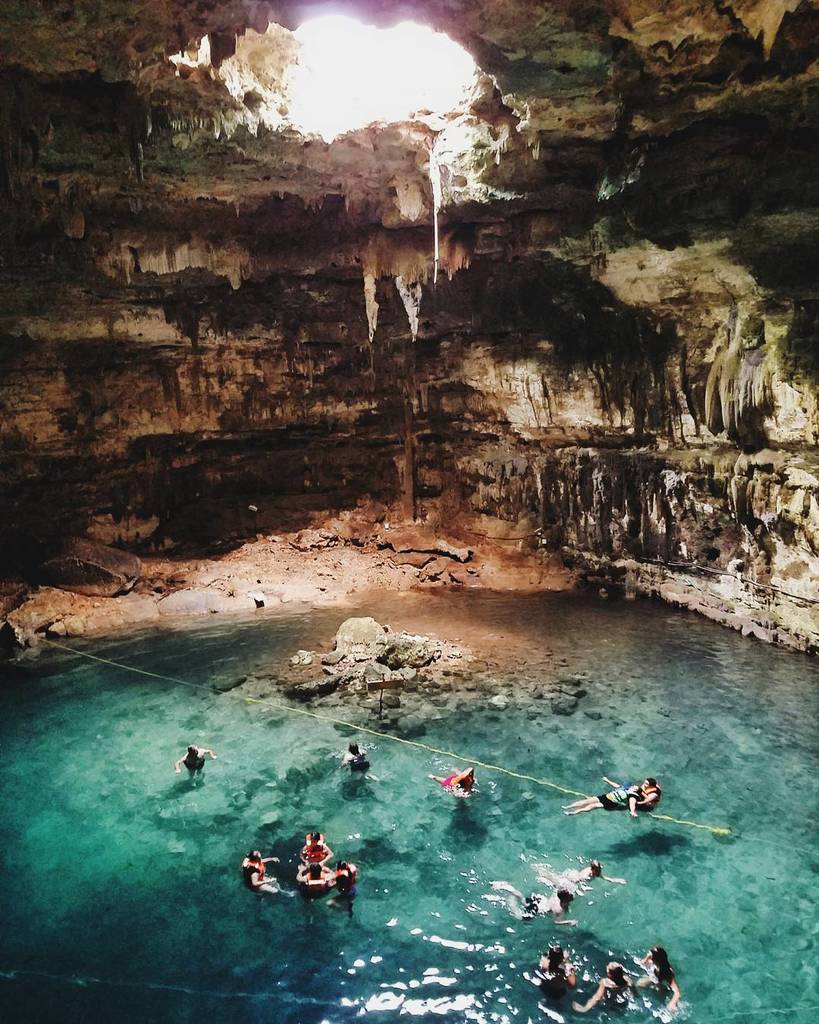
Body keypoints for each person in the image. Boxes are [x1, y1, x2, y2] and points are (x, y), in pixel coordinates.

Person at [563, 777, 661, 817]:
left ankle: (574, 812)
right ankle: (568, 807)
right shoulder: (625, 788)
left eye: (635, 787)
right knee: (587, 801)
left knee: (593, 806)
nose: (635, 786)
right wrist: (607, 780)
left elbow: (632, 803)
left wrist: (633, 811)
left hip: (611, 803)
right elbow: (615, 785)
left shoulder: (633, 795)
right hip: (606, 796)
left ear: (636, 790)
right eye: (633, 785)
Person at [491, 882, 577, 925]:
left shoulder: (557, 894)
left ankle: (510, 890)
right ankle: (511, 901)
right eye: (570, 895)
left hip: (540, 899)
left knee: (524, 901)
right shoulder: (559, 909)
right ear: (565, 899)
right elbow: (556, 922)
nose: (572, 895)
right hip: (538, 908)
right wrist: (569, 922)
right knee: (519, 917)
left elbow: (557, 887)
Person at [636, 946, 682, 1013]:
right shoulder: (653, 963)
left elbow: (677, 992)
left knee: (659, 994)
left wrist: (672, 1002)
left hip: (661, 986)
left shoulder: (667, 972)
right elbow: (642, 963)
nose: (649, 956)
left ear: (655, 960)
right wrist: (647, 958)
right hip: (654, 980)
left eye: (650, 956)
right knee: (639, 984)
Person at [535, 859, 626, 889]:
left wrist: (617, 880)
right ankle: (543, 874)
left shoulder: (596, 871)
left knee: (557, 877)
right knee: (557, 882)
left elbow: (606, 878)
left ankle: (543, 872)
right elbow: (579, 881)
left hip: (574, 873)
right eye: (598, 868)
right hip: (574, 878)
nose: (600, 869)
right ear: (593, 869)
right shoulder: (588, 875)